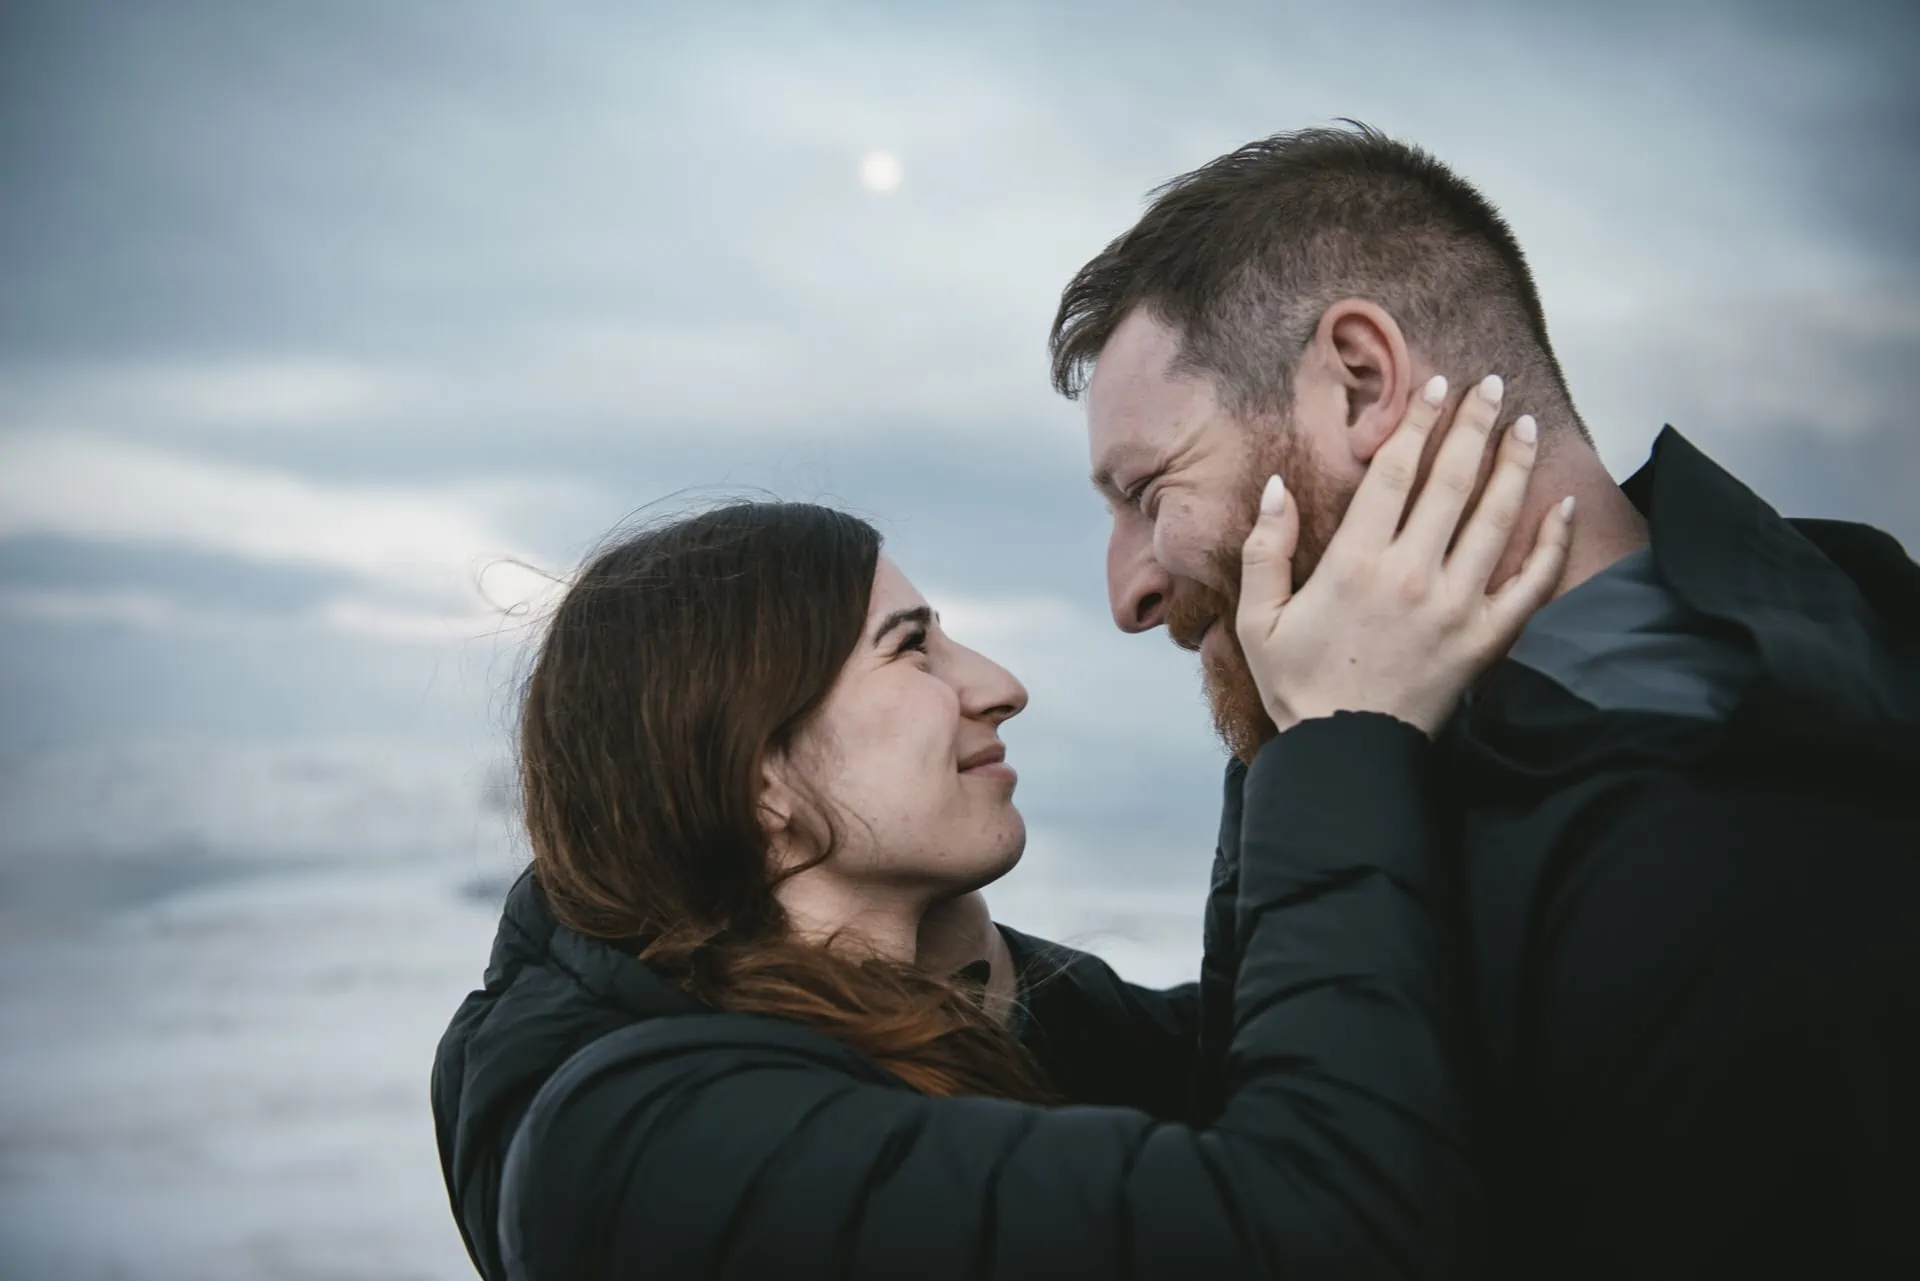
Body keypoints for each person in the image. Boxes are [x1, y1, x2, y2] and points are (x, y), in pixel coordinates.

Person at [430, 385, 1571, 1281]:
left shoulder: (939, 996)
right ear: (760, 778)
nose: (1000, 684)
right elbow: (1320, 1232)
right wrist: (1339, 735)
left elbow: (1251, 1072)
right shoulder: (650, 1154)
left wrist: (1272, 715)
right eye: (910, 647)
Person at [1045, 122, 1920, 1279]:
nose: (1130, 590)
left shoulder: (1734, 832)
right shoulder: (1392, 753)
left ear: (1360, 382)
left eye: (1149, 491)